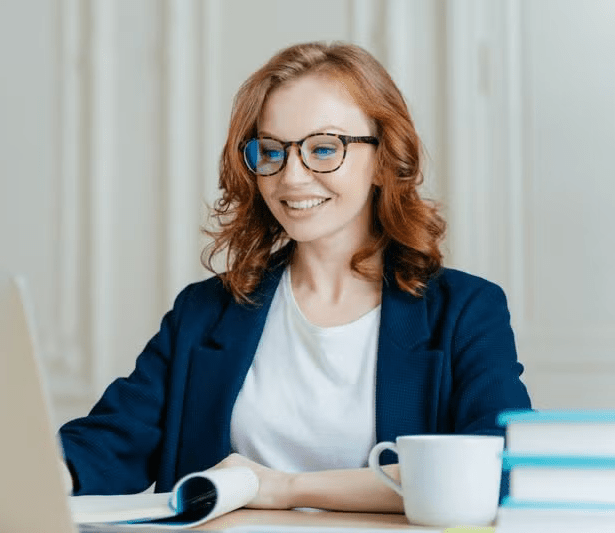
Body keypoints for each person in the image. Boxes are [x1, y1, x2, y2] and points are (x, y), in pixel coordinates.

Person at [58, 41, 531, 513]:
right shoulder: (206, 311)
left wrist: (285, 489)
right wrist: (36, 473)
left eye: (324, 149)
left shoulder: (466, 310)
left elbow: (496, 467)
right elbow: (108, 445)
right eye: (271, 152)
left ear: (385, 161)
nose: (292, 177)